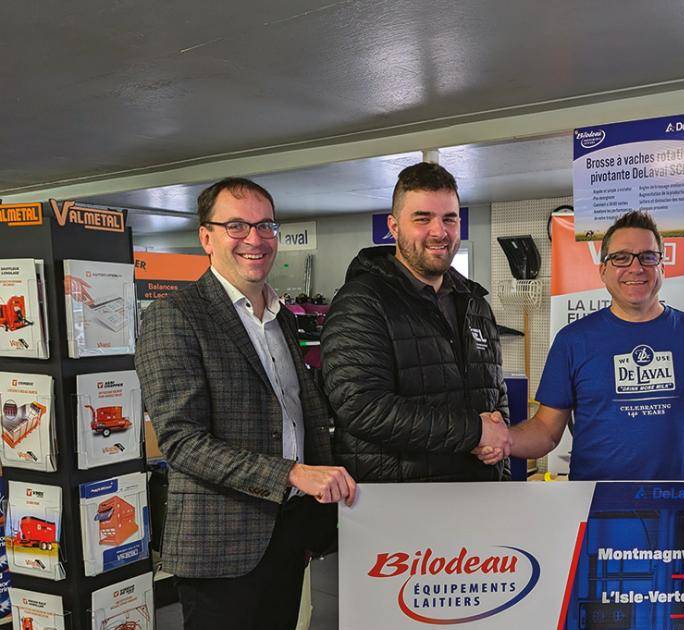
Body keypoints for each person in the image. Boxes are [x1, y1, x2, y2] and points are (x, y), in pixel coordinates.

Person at [135, 178, 356, 630]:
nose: (255, 239)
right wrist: (291, 474)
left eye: (265, 225)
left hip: (289, 533)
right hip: (220, 546)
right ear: (206, 237)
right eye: (236, 225)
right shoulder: (174, 316)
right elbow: (182, 442)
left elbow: (298, 415)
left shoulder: (281, 319)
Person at [484, 209, 684, 580]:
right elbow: (545, 431)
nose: (635, 268)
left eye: (648, 257)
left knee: (664, 621)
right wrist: (503, 438)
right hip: (594, 514)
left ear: (662, 267)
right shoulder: (574, 342)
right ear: (603, 269)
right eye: (620, 257)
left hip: (672, 517)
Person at [321, 162, 511, 482]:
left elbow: (494, 390)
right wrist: (476, 431)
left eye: (449, 219)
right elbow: (362, 406)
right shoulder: (362, 302)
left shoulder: (475, 303)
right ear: (394, 227)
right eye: (423, 218)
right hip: (397, 505)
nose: (439, 232)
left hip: (477, 495)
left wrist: (496, 439)